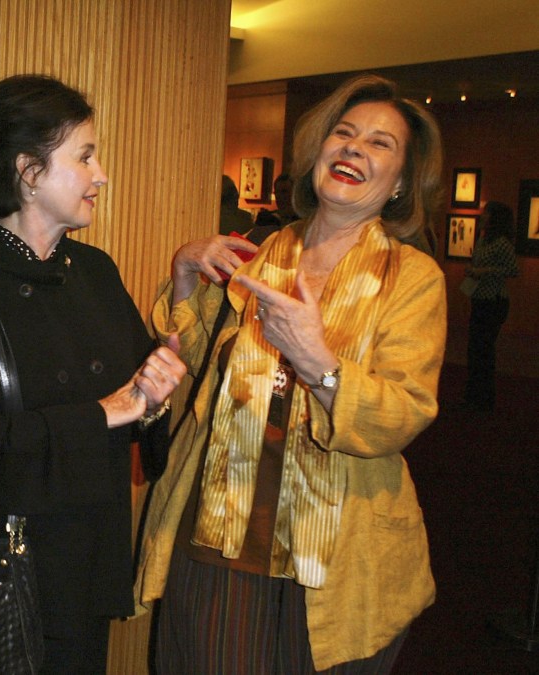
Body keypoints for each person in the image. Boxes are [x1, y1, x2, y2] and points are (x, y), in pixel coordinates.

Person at [135, 74, 447, 673]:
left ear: (402, 181)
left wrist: (317, 362)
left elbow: (404, 413)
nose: (355, 148)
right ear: (319, 152)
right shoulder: (260, 251)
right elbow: (197, 370)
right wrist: (182, 275)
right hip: (222, 537)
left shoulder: (412, 279)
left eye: (381, 144)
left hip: (337, 559)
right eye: (345, 133)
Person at [0, 74, 185, 673]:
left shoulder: (95, 272)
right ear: (28, 171)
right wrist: (105, 413)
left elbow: (135, 406)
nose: (101, 174)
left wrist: (154, 395)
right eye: (84, 156)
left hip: (86, 569)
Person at [464, 200, 520, 410]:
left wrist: (485, 271)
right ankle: (472, 395)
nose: (482, 216)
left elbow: (513, 270)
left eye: (486, 213)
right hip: (479, 298)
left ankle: (484, 398)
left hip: (494, 301)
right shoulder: (483, 239)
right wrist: (473, 270)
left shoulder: (502, 243)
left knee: (484, 349)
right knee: (474, 348)